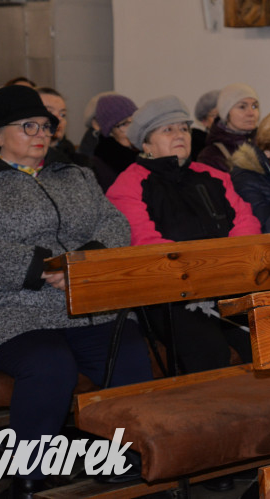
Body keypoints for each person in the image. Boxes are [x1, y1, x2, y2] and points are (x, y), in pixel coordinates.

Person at [0, 86, 151, 498]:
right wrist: (42, 266)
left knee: (126, 355)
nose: (41, 133)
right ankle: (25, 476)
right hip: (10, 309)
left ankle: (116, 458)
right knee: (49, 365)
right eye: (28, 126)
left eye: (46, 126)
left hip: (84, 301)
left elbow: (115, 225)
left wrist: (83, 260)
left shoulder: (76, 175)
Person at [107, 96, 261, 374]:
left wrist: (226, 271)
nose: (180, 135)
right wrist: (204, 275)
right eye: (168, 130)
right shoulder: (127, 185)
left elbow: (246, 223)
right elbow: (145, 243)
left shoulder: (213, 176)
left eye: (184, 129)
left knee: (268, 336)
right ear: (146, 144)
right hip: (169, 296)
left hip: (228, 283)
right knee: (208, 350)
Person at [196, 83, 259, 172]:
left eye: (254, 106)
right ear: (226, 113)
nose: (251, 113)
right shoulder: (211, 156)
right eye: (242, 107)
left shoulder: (265, 145)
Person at [90, 93, 139, 192]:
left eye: (134, 121)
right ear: (110, 131)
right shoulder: (101, 162)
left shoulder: (143, 150)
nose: (131, 128)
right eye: (124, 124)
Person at [190, 88, 219, 161]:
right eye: (215, 115)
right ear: (204, 121)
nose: (220, 119)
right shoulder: (197, 145)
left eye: (223, 114)